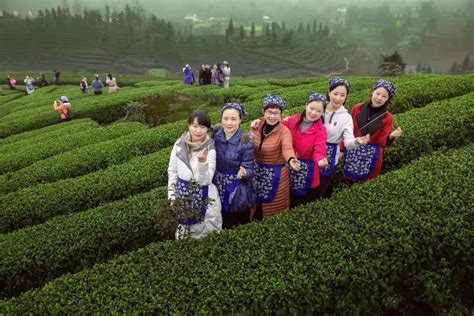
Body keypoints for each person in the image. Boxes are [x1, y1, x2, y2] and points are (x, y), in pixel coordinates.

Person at [167, 110, 222, 239]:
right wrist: (172, 197)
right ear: (189, 125)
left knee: (207, 235)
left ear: (207, 129)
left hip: (206, 199)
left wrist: (202, 162)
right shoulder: (179, 144)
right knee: (185, 236)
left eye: (202, 127)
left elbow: (205, 180)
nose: (198, 131)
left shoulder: (210, 149)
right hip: (183, 196)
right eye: (195, 126)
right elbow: (173, 172)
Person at [317, 77, 370, 199]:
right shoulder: (319, 108)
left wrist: (357, 141)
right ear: (329, 92)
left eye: (342, 95)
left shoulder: (346, 117)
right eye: (335, 93)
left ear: (346, 97)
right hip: (310, 151)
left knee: (321, 188)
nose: (338, 98)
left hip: (328, 155)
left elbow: (348, 141)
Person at [251, 94, 301, 220]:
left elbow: (287, 148)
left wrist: (291, 159)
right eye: (269, 112)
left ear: (281, 114)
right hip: (257, 173)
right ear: (263, 111)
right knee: (256, 206)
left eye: (276, 113)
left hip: (276, 175)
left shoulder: (284, 132)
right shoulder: (257, 126)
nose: (272, 116)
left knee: (274, 209)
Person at [343, 79, 402, 182]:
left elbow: (381, 142)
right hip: (353, 149)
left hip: (371, 156)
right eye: (377, 93)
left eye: (384, 96)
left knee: (366, 184)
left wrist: (391, 136)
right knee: (348, 181)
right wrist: (341, 149)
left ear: (388, 99)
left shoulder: (387, 117)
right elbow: (347, 131)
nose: (379, 98)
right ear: (372, 91)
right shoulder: (357, 108)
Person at [212, 103, 256, 229]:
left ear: (240, 120)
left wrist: (245, 173)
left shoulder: (246, 140)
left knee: (239, 220)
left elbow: (250, 168)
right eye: (225, 119)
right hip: (218, 183)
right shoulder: (215, 135)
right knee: (223, 220)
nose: (229, 123)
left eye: (233, 119)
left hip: (237, 186)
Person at [282, 92, 328, 208]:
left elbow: (319, 149)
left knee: (301, 202)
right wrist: (259, 122)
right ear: (306, 105)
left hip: (308, 170)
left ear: (323, 112)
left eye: (318, 111)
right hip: (289, 164)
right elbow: (275, 127)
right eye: (311, 108)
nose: (313, 113)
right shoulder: (291, 121)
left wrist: (321, 160)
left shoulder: (321, 129)